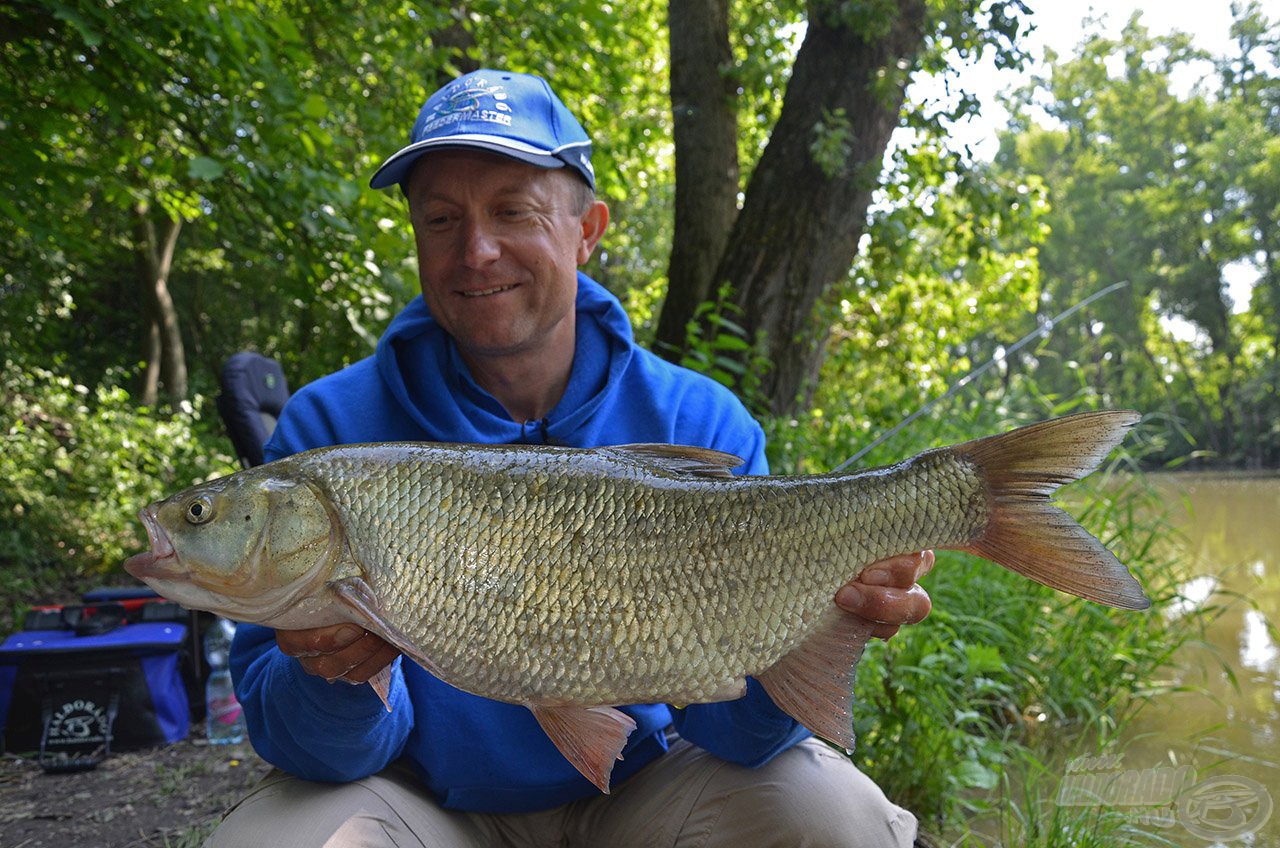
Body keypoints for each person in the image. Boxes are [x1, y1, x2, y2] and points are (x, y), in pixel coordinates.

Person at [207, 69, 933, 848]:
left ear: (588, 229)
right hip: (427, 804)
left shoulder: (696, 419)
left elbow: (742, 740)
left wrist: (821, 625)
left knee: (832, 818)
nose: (476, 251)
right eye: (441, 219)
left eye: (512, 211)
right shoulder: (330, 432)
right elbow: (310, 753)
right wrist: (337, 676)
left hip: (647, 788)